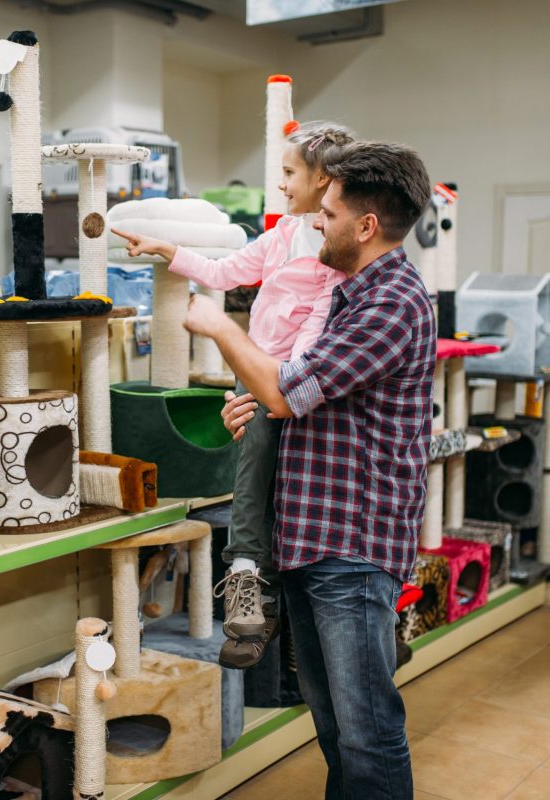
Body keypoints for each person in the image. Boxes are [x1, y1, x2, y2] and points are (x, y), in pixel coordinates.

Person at [183, 140, 435, 800]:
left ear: (365, 225)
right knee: (334, 725)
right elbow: (297, 393)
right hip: (311, 540)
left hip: (351, 548)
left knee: (367, 729)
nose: (314, 223)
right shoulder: (346, 294)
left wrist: (220, 327)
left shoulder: (392, 303)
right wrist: (258, 413)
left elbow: (285, 390)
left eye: (327, 212)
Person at [112, 121, 355, 669]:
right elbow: (222, 272)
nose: (283, 184)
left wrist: (284, 382)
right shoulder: (282, 236)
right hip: (257, 377)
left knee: (297, 494)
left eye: (290, 173)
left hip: (294, 381)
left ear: (324, 179)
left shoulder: (335, 250)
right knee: (252, 479)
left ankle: (323, 614)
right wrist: (168, 250)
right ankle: (248, 587)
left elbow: (319, 324)